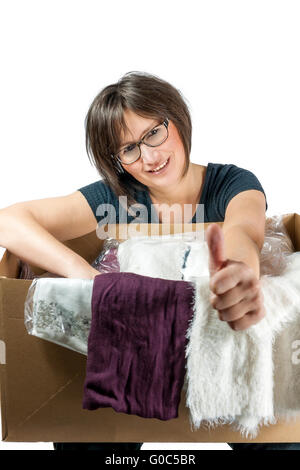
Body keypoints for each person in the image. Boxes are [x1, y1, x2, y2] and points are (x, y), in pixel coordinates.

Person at [0, 71, 297, 451]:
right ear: (118, 160)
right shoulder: (116, 198)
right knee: (86, 435)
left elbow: (245, 230)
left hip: (224, 350)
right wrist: (87, 276)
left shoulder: (231, 183)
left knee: (280, 432)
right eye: (129, 149)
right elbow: (9, 221)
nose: (150, 157)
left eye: (154, 132)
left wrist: (239, 271)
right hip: (133, 354)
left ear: (177, 119)